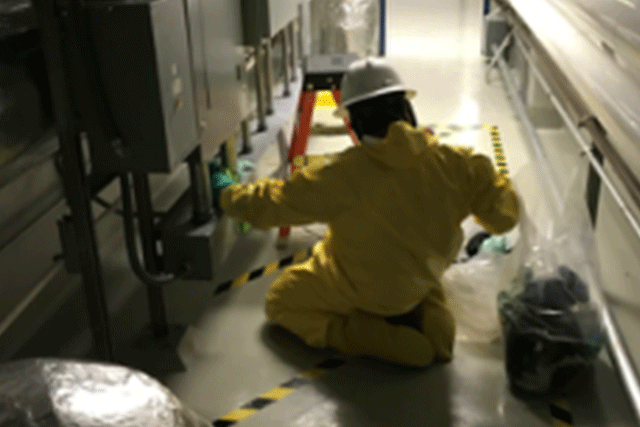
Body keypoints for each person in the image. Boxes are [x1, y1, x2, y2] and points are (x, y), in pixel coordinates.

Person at [211, 57, 520, 367]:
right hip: (421, 278)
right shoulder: (458, 162)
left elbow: (274, 203)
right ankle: (435, 331)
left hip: (364, 290)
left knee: (281, 299)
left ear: (355, 124)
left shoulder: (340, 174)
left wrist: (228, 193)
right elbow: (503, 217)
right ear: (408, 111)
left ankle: (368, 335)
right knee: (419, 273)